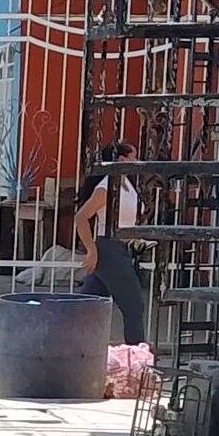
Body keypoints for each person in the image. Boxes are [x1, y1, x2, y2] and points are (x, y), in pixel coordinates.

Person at [72, 142, 150, 346]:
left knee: (87, 308)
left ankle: (72, 350)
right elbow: (81, 217)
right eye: (134, 157)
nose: (137, 161)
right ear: (122, 160)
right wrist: (91, 250)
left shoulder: (126, 183)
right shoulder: (106, 187)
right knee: (134, 307)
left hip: (119, 248)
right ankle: (137, 358)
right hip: (109, 249)